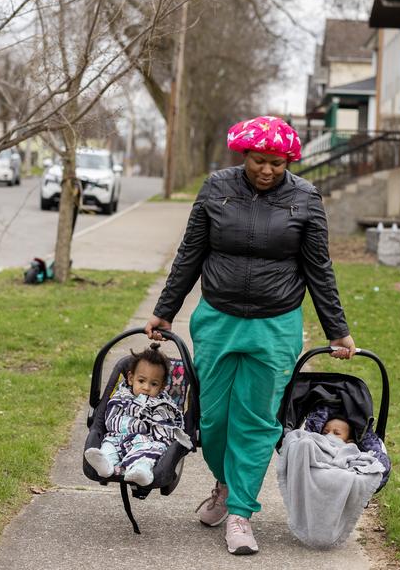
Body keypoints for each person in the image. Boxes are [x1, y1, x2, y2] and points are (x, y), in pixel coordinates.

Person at [145, 115, 356, 556]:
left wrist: (337, 329)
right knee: (213, 419)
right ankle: (224, 485)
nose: (267, 170)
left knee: (257, 420)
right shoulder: (216, 188)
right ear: (245, 154)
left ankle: (241, 511)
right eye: (260, 160)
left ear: (289, 162)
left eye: (277, 164)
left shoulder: (305, 198)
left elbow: (319, 268)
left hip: (274, 325)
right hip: (217, 319)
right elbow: (190, 253)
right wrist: (165, 311)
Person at [83, 344, 185, 487]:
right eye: (141, 381)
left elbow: (165, 427)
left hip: (146, 441)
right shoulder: (121, 396)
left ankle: (141, 471)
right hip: (118, 437)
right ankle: (106, 464)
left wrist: (147, 428)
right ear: (131, 378)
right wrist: (128, 426)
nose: (146, 388)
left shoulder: (161, 403)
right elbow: (111, 419)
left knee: (149, 453)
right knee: (109, 445)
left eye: (154, 384)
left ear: (162, 387)